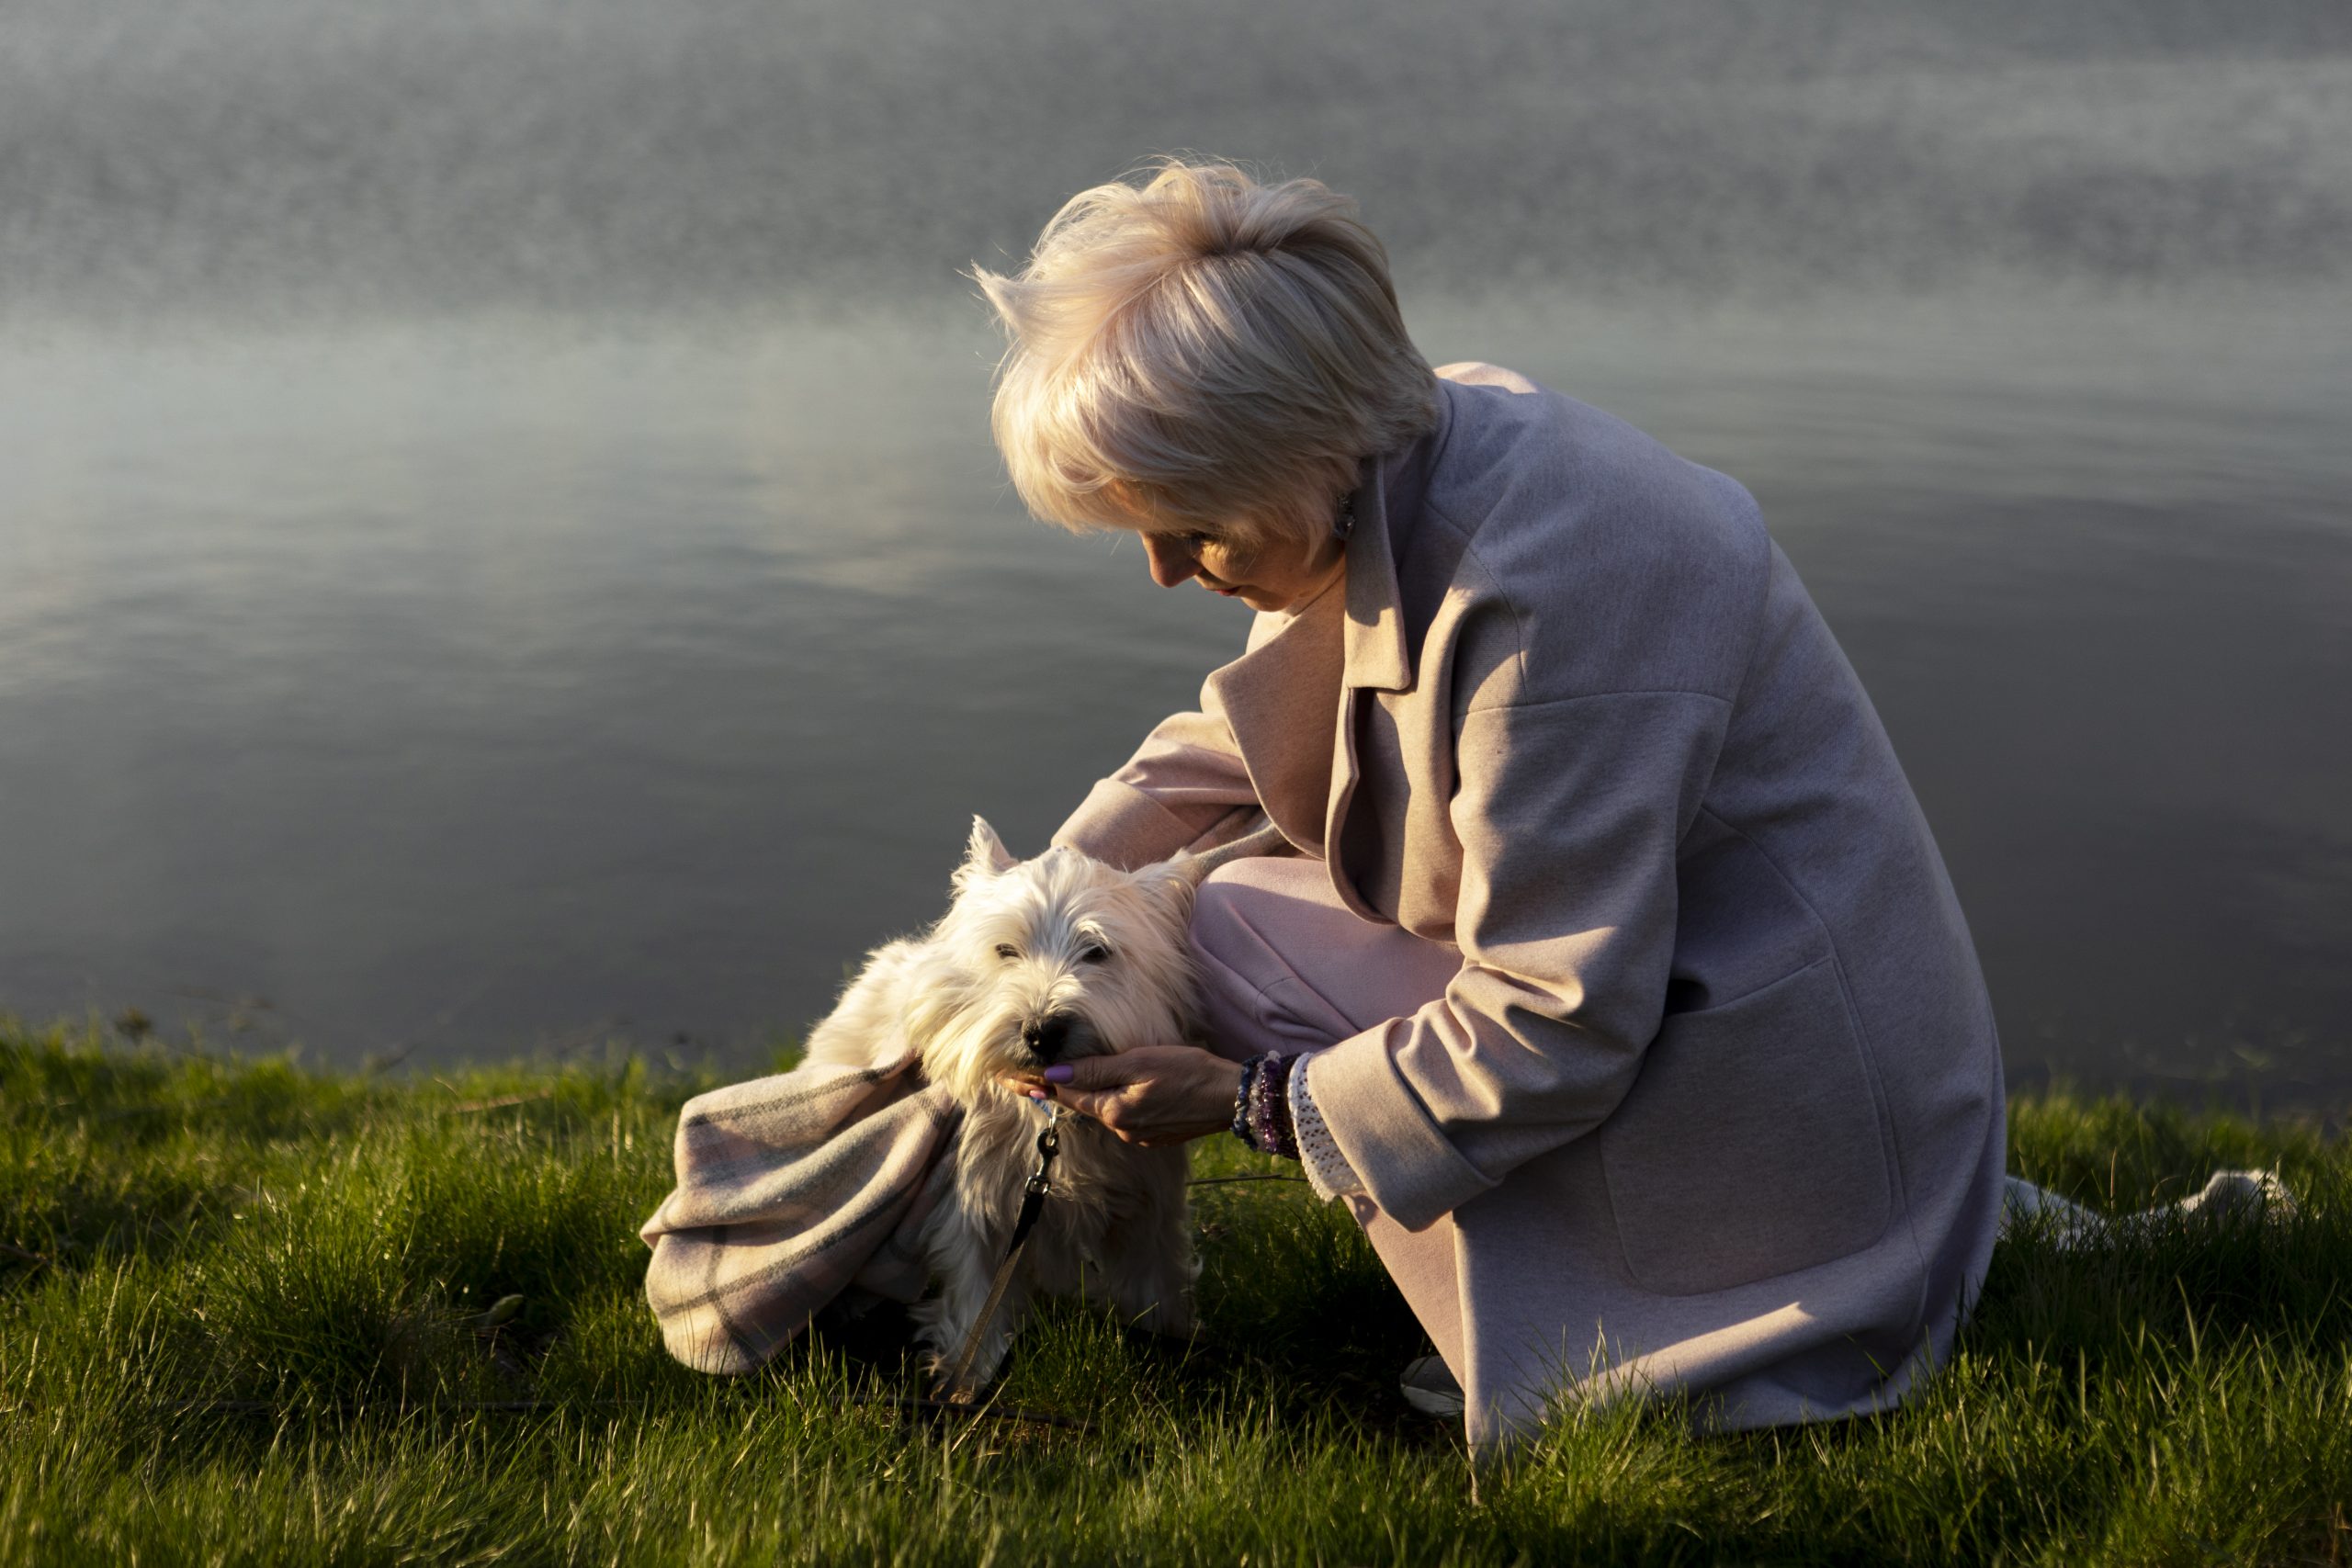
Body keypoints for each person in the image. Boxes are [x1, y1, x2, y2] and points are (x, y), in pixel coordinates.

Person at [975, 158, 2007, 1455]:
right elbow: (1231, 739)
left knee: (1232, 923)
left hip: (1793, 1136)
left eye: (1192, 528)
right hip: (1731, 999)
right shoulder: (1418, 439)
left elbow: (1560, 1019)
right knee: (1229, 900)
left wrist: (1249, 1101)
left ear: (1299, 453)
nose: (1165, 572)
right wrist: (1029, 906)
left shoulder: (1555, 606)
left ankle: (1601, 1347)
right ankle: (1522, 1276)